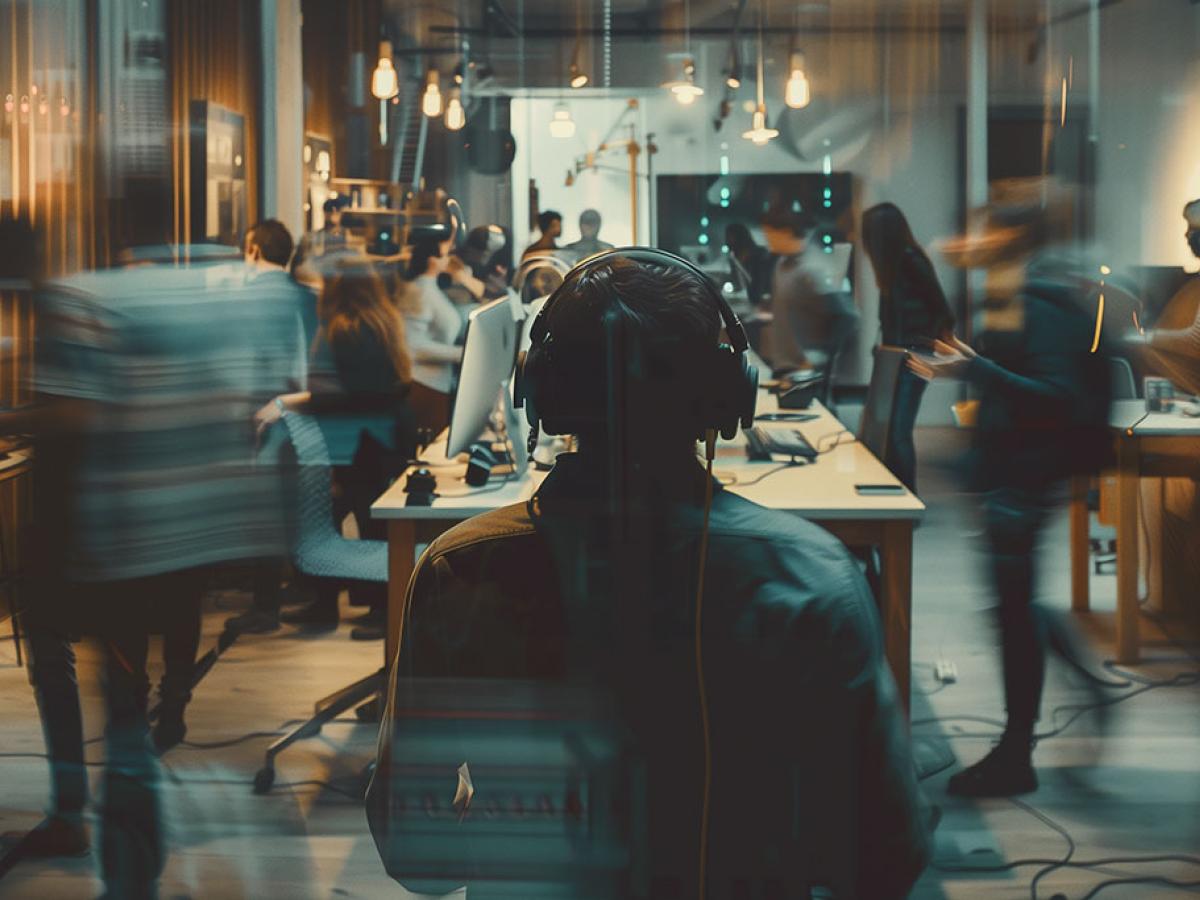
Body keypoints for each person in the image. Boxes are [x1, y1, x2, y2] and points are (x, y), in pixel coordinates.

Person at [369, 250, 930, 898]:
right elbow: (886, 860)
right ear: (727, 395)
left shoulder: (457, 570)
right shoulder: (816, 578)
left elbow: (416, 854)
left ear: (540, 390)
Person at [28, 250, 305, 897]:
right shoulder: (214, 298)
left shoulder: (81, 299)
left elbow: (69, 431)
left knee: (112, 714)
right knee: (132, 707)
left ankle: (113, 858)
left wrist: (51, 560)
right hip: (192, 531)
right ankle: (163, 719)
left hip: (120, 541)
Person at [909, 181, 1113, 797]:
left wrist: (975, 369)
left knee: (1015, 612)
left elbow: (1057, 397)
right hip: (1011, 474)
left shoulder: (1041, 299)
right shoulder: (1013, 292)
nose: (966, 241)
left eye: (982, 228)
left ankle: (1017, 754)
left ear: (1013, 237)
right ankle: (1074, 703)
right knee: (1014, 608)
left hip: (1027, 478)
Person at [257, 258, 417, 639]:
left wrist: (286, 402)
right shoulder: (383, 322)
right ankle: (365, 605)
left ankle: (362, 608)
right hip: (383, 437)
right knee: (366, 522)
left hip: (357, 442)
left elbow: (339, 395)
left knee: (340, 519)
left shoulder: (344, 329)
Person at [861, 202, 956, 492]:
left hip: (913, 355)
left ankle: (906, 500)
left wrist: (922, 344)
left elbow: (942, 309)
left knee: (898, 428)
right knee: (890, 428)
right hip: (897, 355)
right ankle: (896, 491)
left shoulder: (909, 260)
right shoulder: (894, 265)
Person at [761, 208, 859, 378]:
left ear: (785, 232)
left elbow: (846, 315)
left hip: (806, 369)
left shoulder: (813, 267)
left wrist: (820, 355)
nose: (767, 240)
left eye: (769, 234)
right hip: (784, 364)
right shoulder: (782, 264)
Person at [399, 238, 464, 432]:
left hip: (438, 384)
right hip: (423, 384)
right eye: (444, 255)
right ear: (431, 260)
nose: (449, 259)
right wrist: (462, 354)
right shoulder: (418, 291)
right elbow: (413, 346)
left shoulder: (431, 287)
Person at [724, 222, 771, 307]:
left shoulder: (761, 256)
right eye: (727, 237)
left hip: (762, 303)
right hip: (743, 303)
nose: (728, 241)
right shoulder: (734, 259)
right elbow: (736, 282)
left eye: (731, 237)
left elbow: (763, 282)